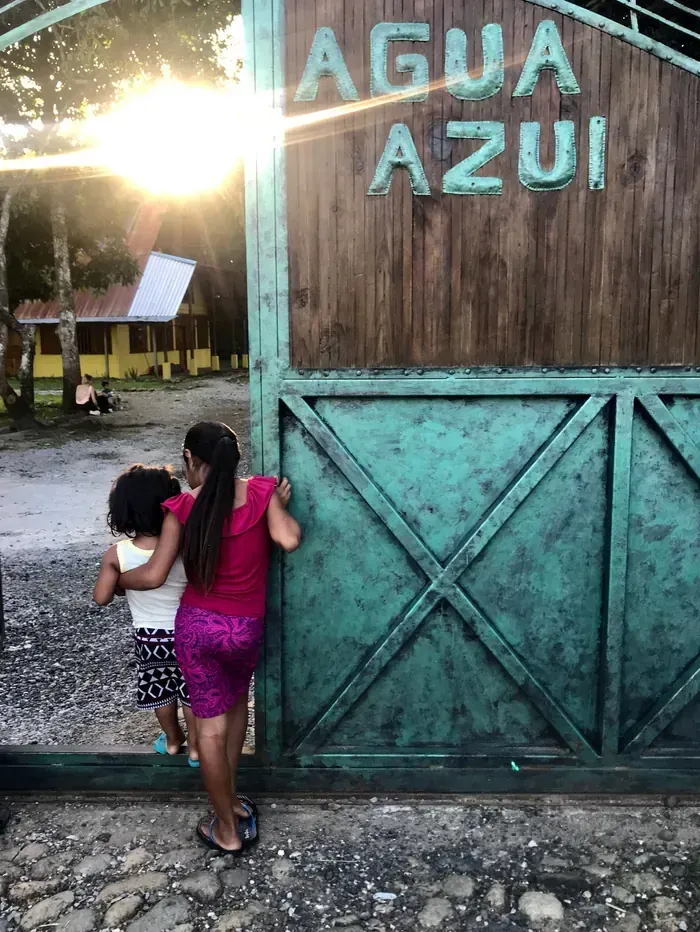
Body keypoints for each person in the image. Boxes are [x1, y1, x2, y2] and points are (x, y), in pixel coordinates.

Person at [118, 422, 301, 855]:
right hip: (244, 630)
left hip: (198, 629)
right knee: (237, 708)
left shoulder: (180, 507)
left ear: (190, 459)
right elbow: (289, 539)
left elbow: (155, 574)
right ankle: (233, 803)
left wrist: (115, 577)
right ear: (235, 458)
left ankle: (226, 829)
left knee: (211, 731)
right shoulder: (260, 491)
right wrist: (273, 503)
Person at [93, 464, 199, 766]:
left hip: (150, 637)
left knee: (161, 690)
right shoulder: (182, 548)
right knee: (190, 691)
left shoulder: (117, 554)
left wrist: (115, 579)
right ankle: (196, 747)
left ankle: (173, 739)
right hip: (187, 632)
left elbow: (100, 598)